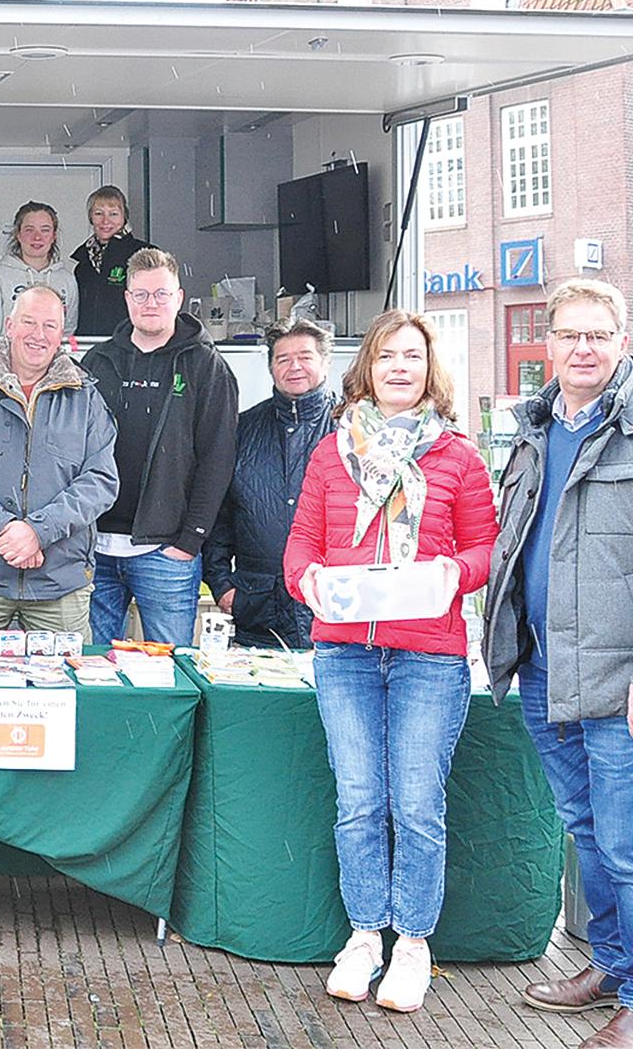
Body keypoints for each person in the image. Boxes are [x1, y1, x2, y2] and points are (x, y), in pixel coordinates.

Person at [283, 308, 498, 1014]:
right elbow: (302, 542)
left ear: (430, 369)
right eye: (386, 355)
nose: (399, 367)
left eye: (412, 355)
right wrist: (307, 580)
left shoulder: (458, 455)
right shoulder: (331, 452)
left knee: (417, 805)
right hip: (345, 652)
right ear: (367, 369)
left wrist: (453, 573)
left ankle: (412, 944)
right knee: (358, 802)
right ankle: (364, 935)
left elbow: (487, 548)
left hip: (428, 657)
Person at [482, 279, 633, 1049]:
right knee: (586, 829)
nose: (583, 348)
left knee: (628, 844)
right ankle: (610, 964)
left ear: (622, 344)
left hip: (617, 679)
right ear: (549, 343)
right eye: (570, 334)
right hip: (543, 666)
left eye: (598, 335)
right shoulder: (535, 429)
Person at [0, 285, 117, 638]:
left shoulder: (86, 400)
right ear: (9, 326)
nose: (38, 335)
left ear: (62, 334)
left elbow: (100, 481)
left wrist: (38, 532)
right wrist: (3, 528)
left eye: (49, 325)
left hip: (59, 586)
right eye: (29, 322)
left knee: (66, 676)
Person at [79, 248, 238, 646]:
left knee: (169, 669)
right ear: (127, 298)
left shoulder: (206, 366)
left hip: (166, 552)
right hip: (94, 551)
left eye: (161, 294)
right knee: (92, 668)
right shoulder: (97, 362)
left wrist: (189, 542)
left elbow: (218, 460)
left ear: (179, 298)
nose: (151, 303)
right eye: (141, 294)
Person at [204, 320, 337, 649]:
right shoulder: (242, 429)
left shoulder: (351, 429)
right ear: (271, 368)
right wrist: (221, 585)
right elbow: (218, 514)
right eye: (283, 359)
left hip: (332, 608)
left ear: (324, 363)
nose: (294, 367)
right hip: (257, 608)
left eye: (305, 357)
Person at [0, 201, 80, 339]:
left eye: (45, 230)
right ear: (18, 235)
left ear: (54, 236)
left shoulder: (67, 280)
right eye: (29, 230)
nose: (37, 237)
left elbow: (67, 331)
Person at [71, 186, 151, 339]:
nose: (105, 221)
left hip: (130, 345)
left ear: (124, 217)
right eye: (98, 213)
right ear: (91, 218)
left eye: (113, 214)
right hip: (89, 346)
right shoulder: (83, 265)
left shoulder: (143, 255)